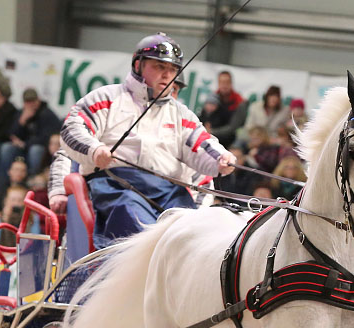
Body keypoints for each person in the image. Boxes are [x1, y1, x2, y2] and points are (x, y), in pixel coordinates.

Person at [60, 33, 234, 241]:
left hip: (168, 191)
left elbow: (201, 143)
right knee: (135, 219)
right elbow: (72, 128)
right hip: (114, 186)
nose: (167, 75)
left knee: (189, 229)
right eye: (159, 67)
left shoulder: (181, 114)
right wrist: (94, 150)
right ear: (138, 65)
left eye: (172, 70)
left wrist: (221, 159)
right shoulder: (106, 97)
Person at [0, 87, 60, 182]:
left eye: (33, 101)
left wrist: (25, 144)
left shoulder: (47, 114)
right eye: (28, 102)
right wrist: (21, 122)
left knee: (35, 150)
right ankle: (4, 182)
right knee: (7, 148)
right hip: (22, 148)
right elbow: (11, 135)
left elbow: (47, 138)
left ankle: (33, 180)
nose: (31, 104)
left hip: (41, 150)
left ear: (38, 100)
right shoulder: (20, 113)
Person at [205, 70, 247, 148]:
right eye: (221, 82)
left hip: (231, 140)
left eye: (227, 82)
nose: (224, 85)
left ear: (231, 84)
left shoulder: (240, 102)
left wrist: (211, 131)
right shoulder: (213, 98)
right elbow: (204, 116)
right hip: (211, 137)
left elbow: (232, 127)